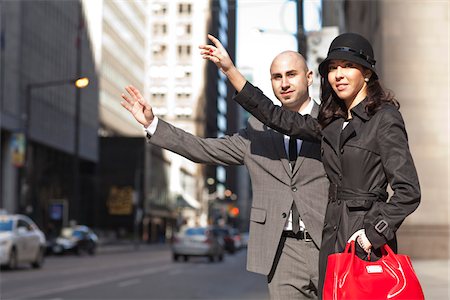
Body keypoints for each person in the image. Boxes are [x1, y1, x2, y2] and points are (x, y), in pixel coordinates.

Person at [200, 33, 421, 299]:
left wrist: (374, 234)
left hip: (364, 240)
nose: (339, 74)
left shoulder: (385, 119)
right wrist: (230, 70)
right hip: (330, 238)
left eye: (348, 66)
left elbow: (408, 191)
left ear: (367, 73)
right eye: (333, 68)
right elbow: (274, 116)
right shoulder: (331, 123)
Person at [120, 50, 329, 299]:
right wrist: (153, 123)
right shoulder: (256, 131)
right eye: (276, 77)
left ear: (309, 77)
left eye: (291, 75)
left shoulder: (331, 121)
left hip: (328, 243)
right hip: (282, 250)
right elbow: (204, 149)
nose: (284, 83)